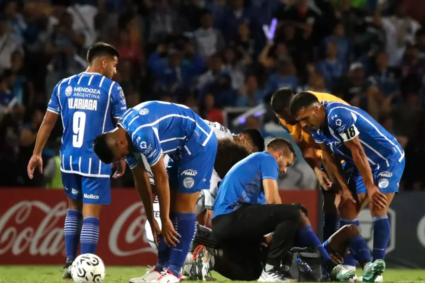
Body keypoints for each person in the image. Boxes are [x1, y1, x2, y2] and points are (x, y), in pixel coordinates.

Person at [27, 43, 127, 279]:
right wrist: (123, 157)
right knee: (91, 214)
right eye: (114, 65)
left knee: (73, 210)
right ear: (103, 63)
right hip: (96, 160)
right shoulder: (112, 89)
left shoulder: (64, 85)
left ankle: (70, 263)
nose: (115, 71)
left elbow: (48, 123)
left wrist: (36, 153)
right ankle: (87, 267)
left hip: (69, 159)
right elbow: (123, 128)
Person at [93, 101, 217, 283]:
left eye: (121, 156)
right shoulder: (126, 138)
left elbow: (161, 178)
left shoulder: (141, 134)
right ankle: (162, 268)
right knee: (171, 204)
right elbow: (140, 181)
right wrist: (152, 219)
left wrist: (165, 219)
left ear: (119, 143)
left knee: (183, 206)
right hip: (180, 149)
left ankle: (174, 272)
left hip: (199, 142)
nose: (124, 159)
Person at [289, 92, 405, 281]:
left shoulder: (338, 116)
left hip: (385, 159)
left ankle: (377, 273)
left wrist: (371, 187)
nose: (303, 125)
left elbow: (357, 149)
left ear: (317, 108)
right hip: (356, 163)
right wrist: (342, 188)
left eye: (305, 118)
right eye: (299, 121)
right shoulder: (315, 126)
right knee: (346, 206)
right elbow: (327, 156)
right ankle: (352, 269)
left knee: (378, 204)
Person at [211, 138, 353, 282]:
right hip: (230, 217)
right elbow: (273, 201)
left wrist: (266, 235)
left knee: (251, 272)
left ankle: (208, 260)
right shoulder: (267, 159)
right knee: (292, 213)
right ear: (279, 155)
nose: (285, 170)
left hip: (226, 225)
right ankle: (271, 268)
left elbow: (261, 214)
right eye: (287, 164)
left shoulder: (253, 171)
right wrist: (287, 216)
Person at [136, 123, 264, 283]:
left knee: (160, 231)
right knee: (157, 231)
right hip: (185, 178)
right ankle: (191, 260)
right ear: (244, 140)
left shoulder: (219, 139)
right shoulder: (223, 146)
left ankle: (188, 262)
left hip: (187, 180)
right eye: (250, 152)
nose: (247, 159)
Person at [190, 204, 384, 283]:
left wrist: (326, 259)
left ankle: (368, 269)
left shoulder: (312, 243)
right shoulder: (278, 236)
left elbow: (349, 232)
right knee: (247, 272)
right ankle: (205, 256)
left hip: (316, 262)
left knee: (351, 230)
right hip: (285, 266)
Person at [270, 88, 347, 246]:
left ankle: (347, 261)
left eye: (286, 115)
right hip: (326, 153)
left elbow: (327, 148)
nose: (284, 120)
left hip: (345, 148)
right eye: (280, 117)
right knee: (330, 203)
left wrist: (339, 180)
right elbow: (305, 147)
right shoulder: (287, 119)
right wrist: (317, 171)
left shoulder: (314, 110)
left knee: (346, 202)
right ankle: (331, 257)